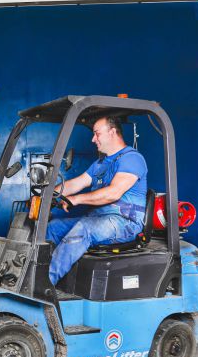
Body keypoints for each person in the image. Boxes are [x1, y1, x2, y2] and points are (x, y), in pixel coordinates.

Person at [46, 116, 148, 286]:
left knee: (84, 229)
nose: (93, 139)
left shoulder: (131, 159)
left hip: (124, 222)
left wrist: (76, 199)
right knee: (53, 227)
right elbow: (75, 183)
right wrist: (47, 195)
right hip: (98, 219)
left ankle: (45, 284)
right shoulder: (101, 163)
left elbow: (113, 193)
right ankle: (37, 273)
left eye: (97, 134)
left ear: (112, 132)